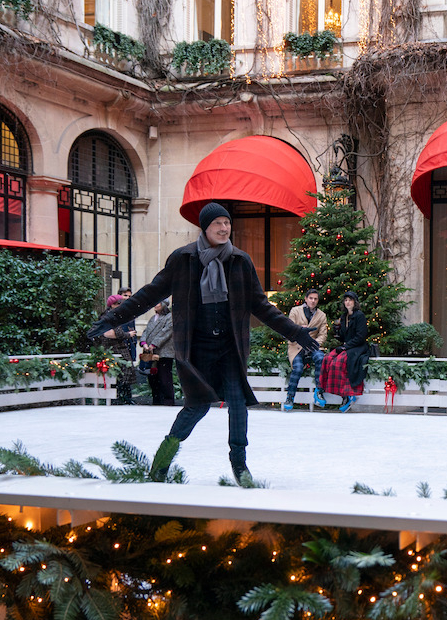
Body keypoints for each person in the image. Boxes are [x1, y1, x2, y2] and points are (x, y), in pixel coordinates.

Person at [88, 202, 319, 484]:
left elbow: (261, 306)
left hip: (230, 348)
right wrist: (114, 318)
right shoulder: (183, 259)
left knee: (237, 404)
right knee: (196, 406)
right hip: (196, 349)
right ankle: (161, 462)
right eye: (217, 224)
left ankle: (239, 465)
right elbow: (149, 294)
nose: (224, 228)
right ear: (205, 228)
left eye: (227, 223)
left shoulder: (240, 261)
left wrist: (296, 332)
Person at [319, 291, 370, 412]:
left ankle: (347, 394)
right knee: (327, 358)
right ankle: (321, 389)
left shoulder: (359, 316)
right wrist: (337, 332)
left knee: (339, 362)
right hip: (347, 346)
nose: (347, 302)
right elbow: (343, 337)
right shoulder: (343, 317)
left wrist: (345, 347)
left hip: (358, 347)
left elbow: (360, 337)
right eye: (346, 300)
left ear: (355, 302)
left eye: (350, 300)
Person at [283, 288, 329, 411]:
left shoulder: (321, 315)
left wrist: (314, 343)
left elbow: (323, 335)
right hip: (296, 346)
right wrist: (298, 329)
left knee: (320, 358)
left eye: (315, 299)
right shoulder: (295, 311)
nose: (313, 301)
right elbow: (288, 329)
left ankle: (319, 391)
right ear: (306, 299)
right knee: (297, 368)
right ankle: (290, 397)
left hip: (313, 346)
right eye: (311, 298)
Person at [100, 294, 137, 405]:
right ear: (112, 305)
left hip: (114, 348)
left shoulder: (109, 315)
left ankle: (121, 396)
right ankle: (122, 397)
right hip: (116, 349)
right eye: (118, 303)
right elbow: (113, 333)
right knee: (124, 372)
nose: (120, 305)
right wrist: (128, 334)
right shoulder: (111, 316)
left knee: (121, 373)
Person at [139, 300, 176, 406]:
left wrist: (154, 344)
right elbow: (146, 331)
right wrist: (144, 342)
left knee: (164, 377)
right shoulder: (153, 318)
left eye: (158, 303)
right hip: (150, 352)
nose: (155, 305)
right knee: (152, 377)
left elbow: (166, 332)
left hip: (164, 352)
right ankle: (157, 399)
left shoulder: (170, 317)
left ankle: (168, 400)